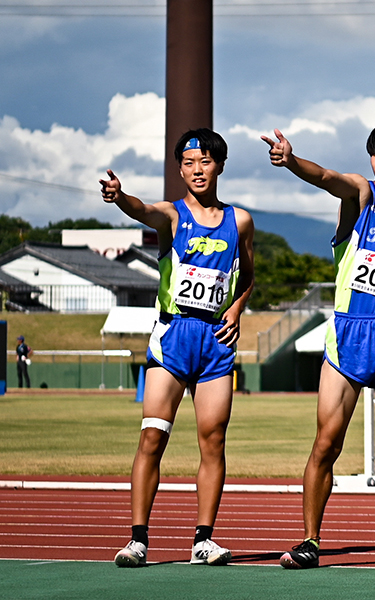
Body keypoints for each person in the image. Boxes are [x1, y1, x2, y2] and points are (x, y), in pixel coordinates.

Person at [262, 119, 375, 571]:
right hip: (347, 339)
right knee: (326, 445)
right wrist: (291, 161)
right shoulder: (359, 197)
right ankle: (310, 542)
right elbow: (324, 178)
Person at [99, 129, 255, 568]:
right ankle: (137, 540)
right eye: (187, 164)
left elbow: (247, 277)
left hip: (216, 343)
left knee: (213, 441)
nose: (196, 170)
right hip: (173, 339)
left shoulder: (239, 220)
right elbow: (142, 209)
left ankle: (203, 540)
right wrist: (120, 196)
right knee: (152, 437)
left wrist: (238, 310)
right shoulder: (171, 215)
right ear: (180, 170)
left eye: (204, 162)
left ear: (219, 165)